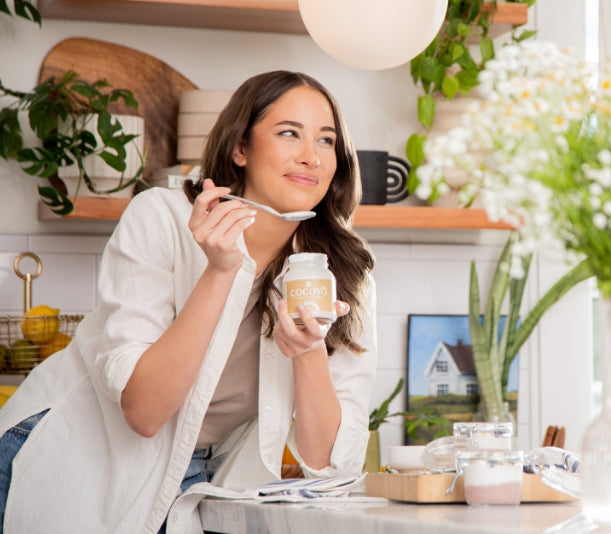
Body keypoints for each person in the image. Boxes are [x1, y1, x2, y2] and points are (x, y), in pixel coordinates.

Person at [0, 70, 377, 533]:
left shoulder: (340, 269)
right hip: (74, 452)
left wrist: (308, 350)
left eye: (326, 141)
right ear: (240, 148)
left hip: (194, 480)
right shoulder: (160, 217)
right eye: (288, 133)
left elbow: (328, 464)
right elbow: (144, 412)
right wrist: (220, 272)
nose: (310, 157)